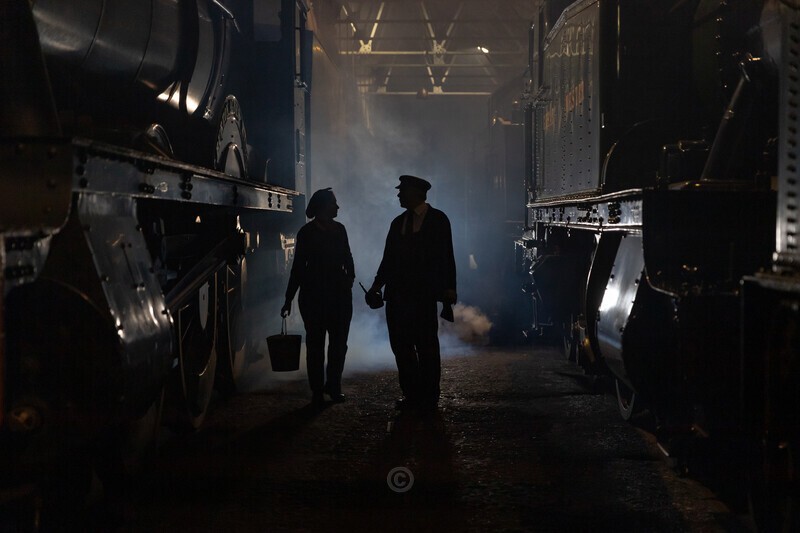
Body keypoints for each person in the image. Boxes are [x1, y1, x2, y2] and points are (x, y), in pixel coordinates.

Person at [367, 175, 457, 412]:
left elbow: (446, 257)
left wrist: (449, 289)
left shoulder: (436, 220)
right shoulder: (400, 222)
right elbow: (388, 259)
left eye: (402, 191)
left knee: (425, 346)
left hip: (421, 295)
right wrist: (377, 285)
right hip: (400, 296)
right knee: (402, 346)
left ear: (415, 193)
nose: (398, 195)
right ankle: (414, 394)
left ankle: (427, 395)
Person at [282, 188, 354, 408]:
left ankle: (323, 389)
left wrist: (289, 299)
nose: (337, 207)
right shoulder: (335, 231)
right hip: (333, 296)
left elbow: (299, 269)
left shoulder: (308, 232)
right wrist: (348, 280)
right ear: (325, 206)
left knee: (321, 345)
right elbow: (347, 260)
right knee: (331, 345)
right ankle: (329, 388)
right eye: (334, 203)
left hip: (314, 296)